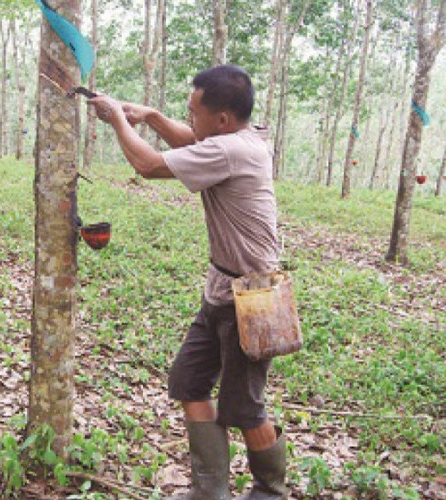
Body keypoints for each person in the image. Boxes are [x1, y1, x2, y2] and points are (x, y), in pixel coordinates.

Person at [88, 65, 287, 500]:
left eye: (194, 112)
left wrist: (118, 120)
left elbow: (148, 165)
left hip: (254, 296)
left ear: (222, 120)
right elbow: (192, 141)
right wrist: (153, 117)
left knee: (247, 408)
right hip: (222, 289)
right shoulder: (238, 138)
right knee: (189, 382)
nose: (190, 118)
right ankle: (209, 491)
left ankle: (270, 492)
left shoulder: (234, 150)